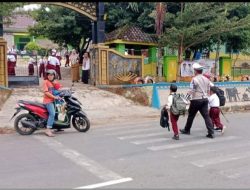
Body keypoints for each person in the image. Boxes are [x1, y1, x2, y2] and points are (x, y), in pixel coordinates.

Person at [180, 62, 214, 138]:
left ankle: (187, 130)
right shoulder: (206, 79)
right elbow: (209, 90)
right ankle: (211, 132)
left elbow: (191, 91)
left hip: (196, 100)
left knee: (191, 115)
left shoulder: (194, 79)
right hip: (205, 99)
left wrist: (186, 99)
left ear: (195, 71)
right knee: (206, 116)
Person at [42, 69, 61, 137]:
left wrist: (56, 83)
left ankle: (56, 126)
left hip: (53, 101)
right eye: (49, 75)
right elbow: (46, 92)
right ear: (47, 76)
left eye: (52, 75)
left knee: (57, 113)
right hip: (48, 101)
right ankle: (48, 130)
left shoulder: (51, 82)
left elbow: (57, 89)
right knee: (52, 114)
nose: (50, 76)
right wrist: (54, 97)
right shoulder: (45, 82)